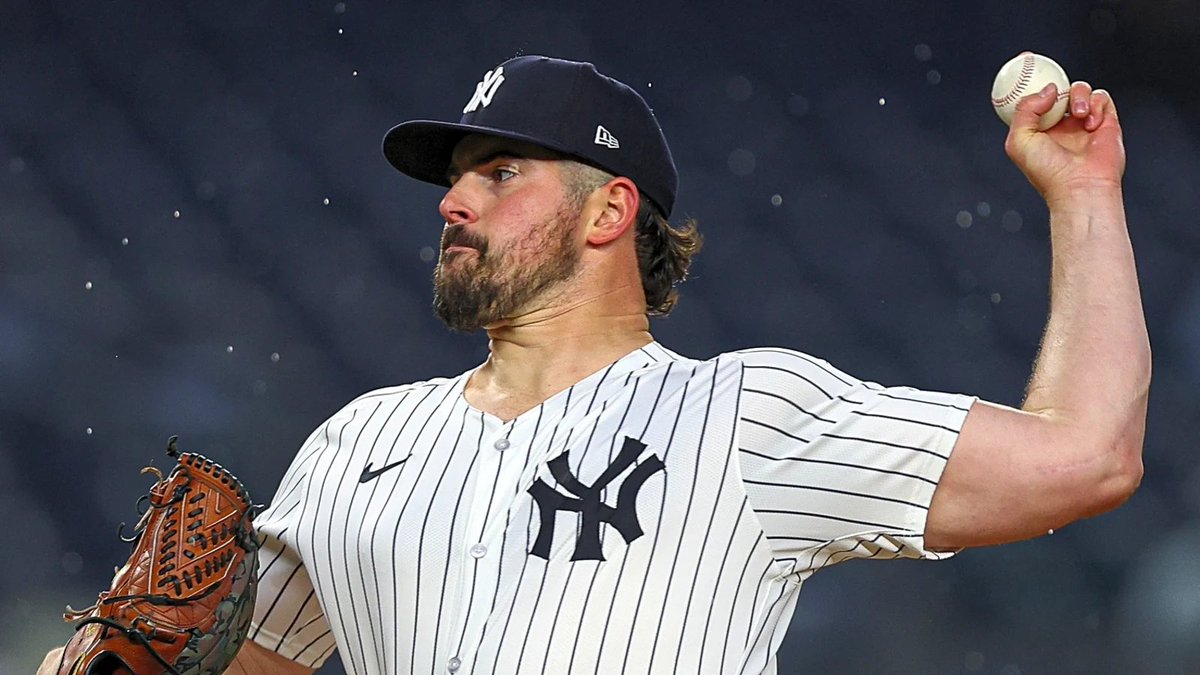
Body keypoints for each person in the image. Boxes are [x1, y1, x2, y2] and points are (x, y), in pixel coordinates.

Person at [39, 54, 1148, 675]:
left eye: (501, 171)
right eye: (452, 178)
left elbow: (1086, 458)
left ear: (612, 209)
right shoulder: (358, 439)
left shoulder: (746, 412)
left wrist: (1084, 195)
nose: (454, 199)